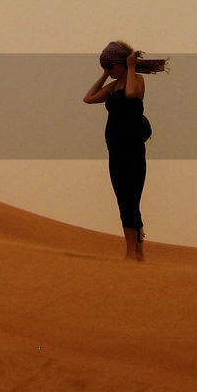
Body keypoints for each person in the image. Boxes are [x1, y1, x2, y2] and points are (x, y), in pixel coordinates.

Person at [82, 41, 167, 260]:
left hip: (132, 148)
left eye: (111, 65)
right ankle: (135, 252)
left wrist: (130, 67)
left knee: (131, 199)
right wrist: (104, 75)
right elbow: (88, 98)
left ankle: (134, 252)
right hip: (115, 149)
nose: (109, 70)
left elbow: (131, 94)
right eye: (105, 66)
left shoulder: (136, 80)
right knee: (123, 199)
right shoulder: (112, 86)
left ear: (123, 63)